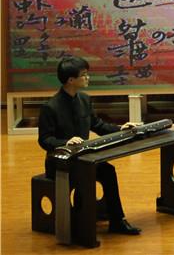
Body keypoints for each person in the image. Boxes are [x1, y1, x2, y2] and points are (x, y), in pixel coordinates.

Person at [37, 56, 142, 235]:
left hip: (83, 158)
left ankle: (117, 221)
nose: (88, 78)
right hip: (61, 162)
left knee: (107, 171)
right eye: (84, 75)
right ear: (71, 80)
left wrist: (120, 128)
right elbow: (45, 140)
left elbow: (97, 125)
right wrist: (65, 142)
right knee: (85, 173)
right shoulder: (50, 107)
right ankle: (80, 223)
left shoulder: (84, 99)